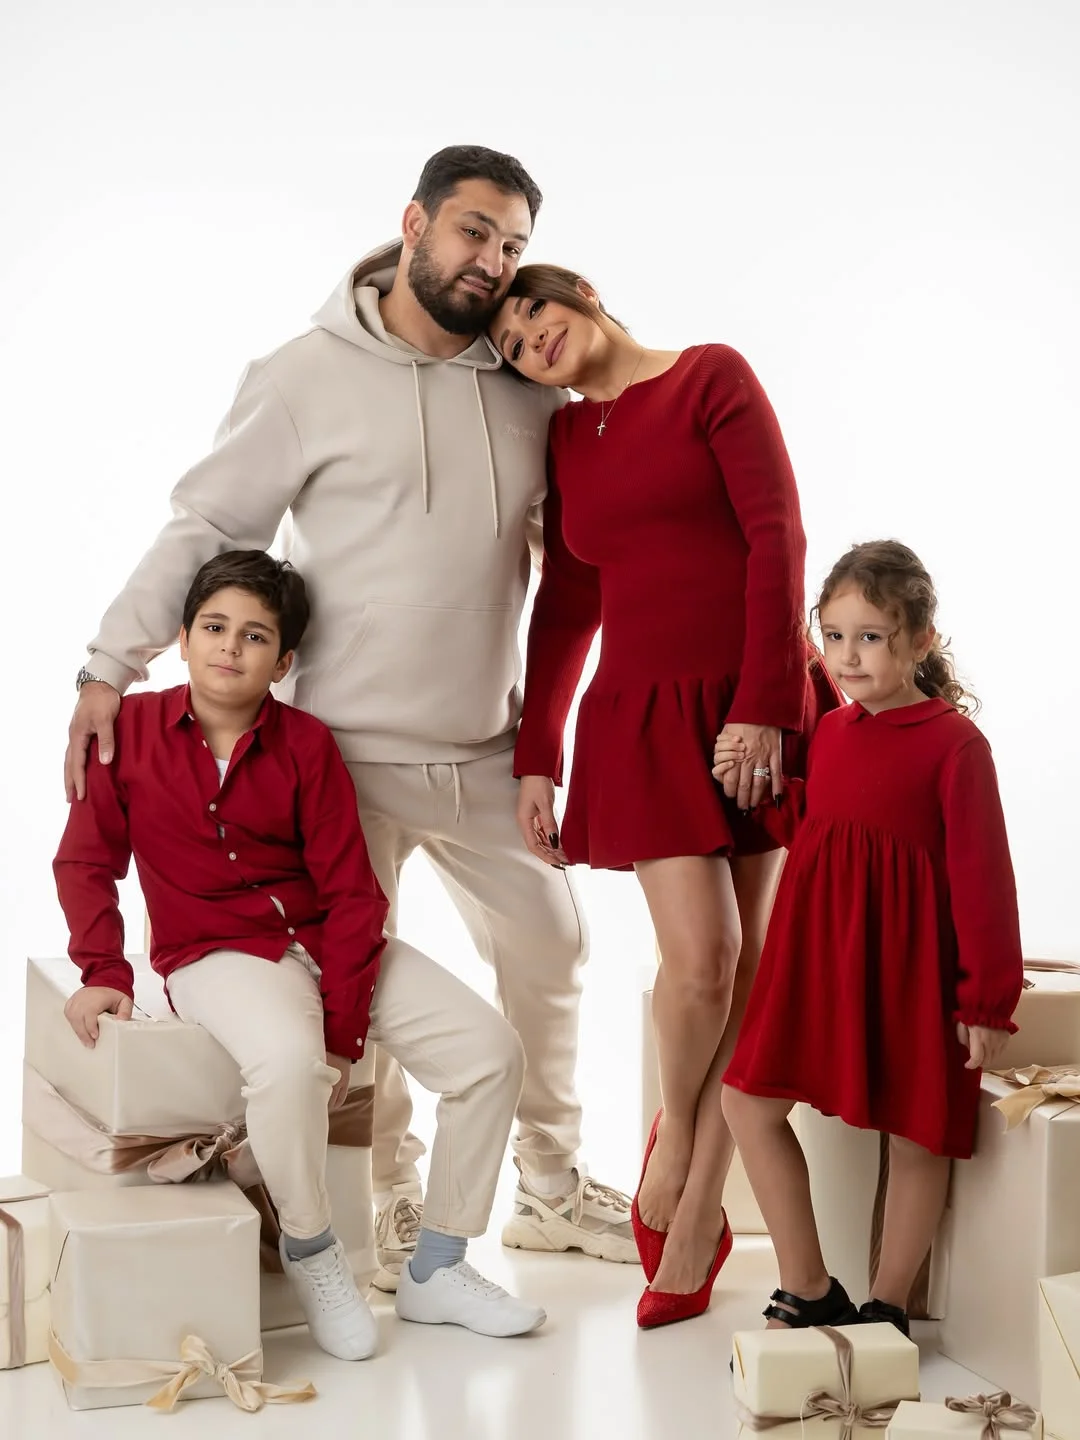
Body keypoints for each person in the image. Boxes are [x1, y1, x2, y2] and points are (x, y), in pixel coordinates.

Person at [61, 145, 635, 1292]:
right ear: (414, 224)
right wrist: (108, 664)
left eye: (514, 244)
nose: (493, 261)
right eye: (474, 232)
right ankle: (389, 1193)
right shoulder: (302, 374)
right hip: (342, 755)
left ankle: (550, 1185)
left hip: (485, 747)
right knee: (353, 984)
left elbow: (580, 564)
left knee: (554, 946)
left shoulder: (532, 388)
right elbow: (205, 523)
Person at [55, 550, 546, 1353]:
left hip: (325, 940)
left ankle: (437, 1267)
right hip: (214, 953)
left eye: (254, 636)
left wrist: (345, 1031)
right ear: (183, 638)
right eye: (214, 627)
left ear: (283, 663)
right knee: (286, 1064)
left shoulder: (306, 744)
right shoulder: (130, 732)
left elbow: (354, 892)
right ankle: (313, 1251)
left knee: (490, 1053)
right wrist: (103, 972)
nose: (230, 646)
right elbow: (85, 861)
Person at [493, 265, 838, 1327]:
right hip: (642, 720)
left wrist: (765, 707)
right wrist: (539, 752)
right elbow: (569, 599)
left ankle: (695, 1210)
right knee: (703, 960)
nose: (530, 341)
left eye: (533, 312)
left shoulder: (708, 377)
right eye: (510, 346)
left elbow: (779, 535)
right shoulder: (567, 439)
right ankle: (681, 1137)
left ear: (582, 293)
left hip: (750, 697)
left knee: (756, 960)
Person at [718, 540, 1024, 1337]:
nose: (847, 656)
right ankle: (808, 1284)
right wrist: (761, 790)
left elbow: (986, 881)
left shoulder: (956, 746)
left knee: (918, 1136)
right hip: (822, 962)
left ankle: (887, 1308)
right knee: (746, 1103)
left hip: (913, 971)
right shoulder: (833, 731)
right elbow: (824, 832)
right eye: (833, 635)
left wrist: (986, 1001)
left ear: (920, 640)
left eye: (870, 637)